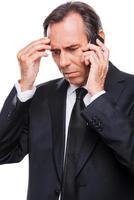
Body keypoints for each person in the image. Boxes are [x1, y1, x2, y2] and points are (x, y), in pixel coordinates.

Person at [0, 1, 134, 200]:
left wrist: (97, 96)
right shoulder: (42, 96)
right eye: (55, 52)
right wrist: (25, 86)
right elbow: (3, 153)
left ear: (99, 40)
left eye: (72, 48)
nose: (63, 63)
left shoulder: (130, 90)